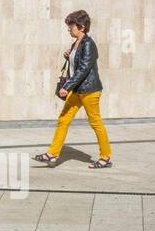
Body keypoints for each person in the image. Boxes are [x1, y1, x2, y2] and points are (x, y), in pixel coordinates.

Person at [35, 9, 113, 169]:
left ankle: (105, 157)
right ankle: (52, 153)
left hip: (89, 90)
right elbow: (77, 63)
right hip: (77, 90)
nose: (69, 29)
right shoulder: (76, 43)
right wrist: (69, 56)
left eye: (71, 26)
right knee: (63, 120)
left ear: (81, 27)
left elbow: (84, 69)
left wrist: (67, 86)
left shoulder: (89, 44)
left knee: (95, 122)